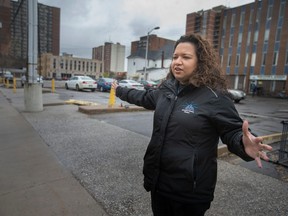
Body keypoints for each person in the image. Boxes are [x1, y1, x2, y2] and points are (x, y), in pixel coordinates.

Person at [111, 34, 272, 216]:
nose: (177, 62)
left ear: (200, 62)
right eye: (175, 57)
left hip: (190, 193)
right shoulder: (167, 89)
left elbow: (233, 130)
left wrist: (243, 144)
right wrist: (120, 90)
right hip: (158, 183)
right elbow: (143, 97)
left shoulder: (214, 96)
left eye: (185, 57)